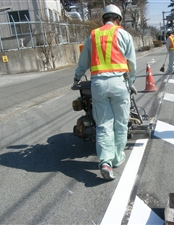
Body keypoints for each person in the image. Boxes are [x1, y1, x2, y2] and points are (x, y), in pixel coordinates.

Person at [72, 4, 137, 180]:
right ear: (118, 20)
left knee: (104, 125)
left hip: (99, 84)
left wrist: (76, 78)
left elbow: (83, 62)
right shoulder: (124, 35)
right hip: (119, 84)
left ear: (103, 19)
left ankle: (105, 162)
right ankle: (116, 158)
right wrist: (131, 83)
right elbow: (131, 64)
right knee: (121, 123)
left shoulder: (93, 35)